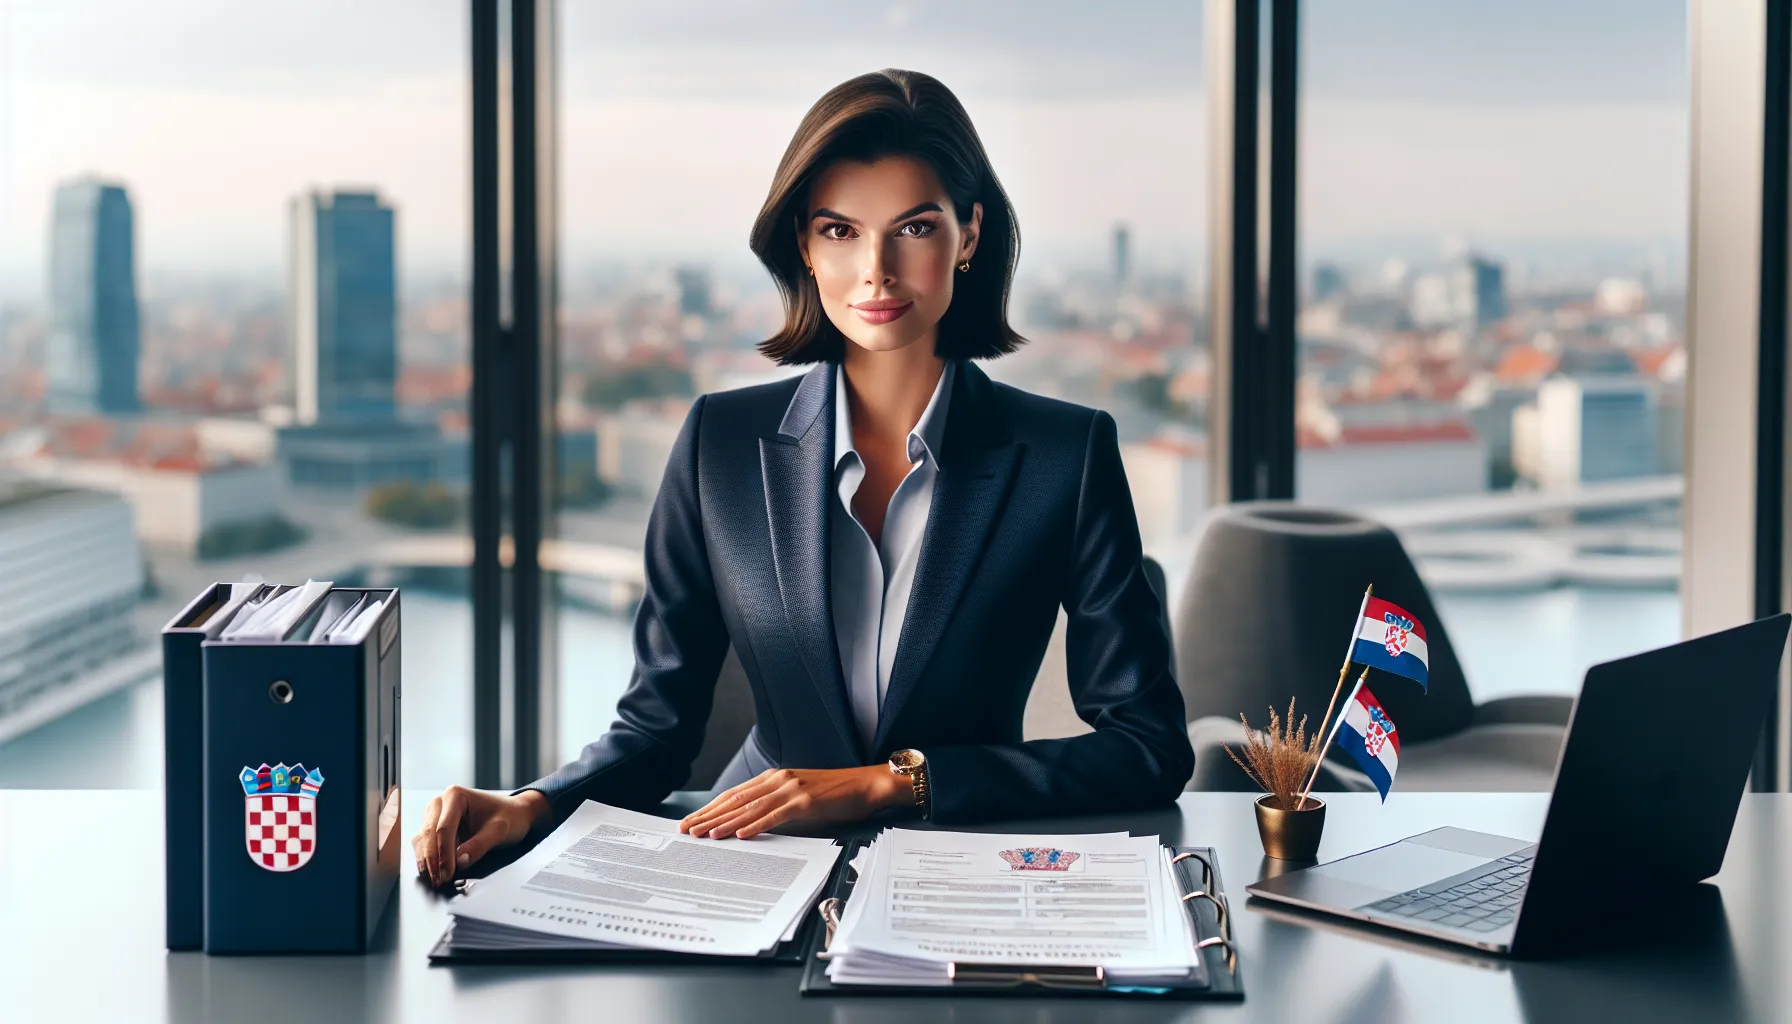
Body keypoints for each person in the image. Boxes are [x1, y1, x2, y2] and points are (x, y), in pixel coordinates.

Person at [413, 68, 1193, 886]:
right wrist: (533, 803)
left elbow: (1147, 748)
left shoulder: (1066, 456)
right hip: (744, 866)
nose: (877, 271)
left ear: (968, 234)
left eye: (914, 229)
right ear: (804, 247)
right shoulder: (720, 442)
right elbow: (656, 729)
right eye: (841, 231)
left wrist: (895, 783)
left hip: (961, 875)